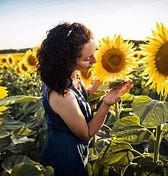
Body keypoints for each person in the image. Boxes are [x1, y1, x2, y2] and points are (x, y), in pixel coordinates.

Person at [37, 22, 133, 176]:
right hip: (64, 158)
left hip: (75, 151)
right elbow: (86, 133)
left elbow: (83, 97)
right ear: (67, 61)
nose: (94, 61)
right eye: (88, 58)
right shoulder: (61, 94)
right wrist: (106, 104)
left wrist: (104, 74)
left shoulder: (67, 75)